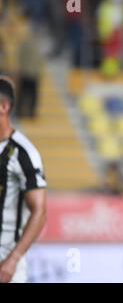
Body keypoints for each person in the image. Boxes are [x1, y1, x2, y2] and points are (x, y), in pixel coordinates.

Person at [0, 77, 47, 283]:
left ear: (4, 107)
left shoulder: (23, 153)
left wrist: (14, 259)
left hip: (4, 260)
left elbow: (40, 211)